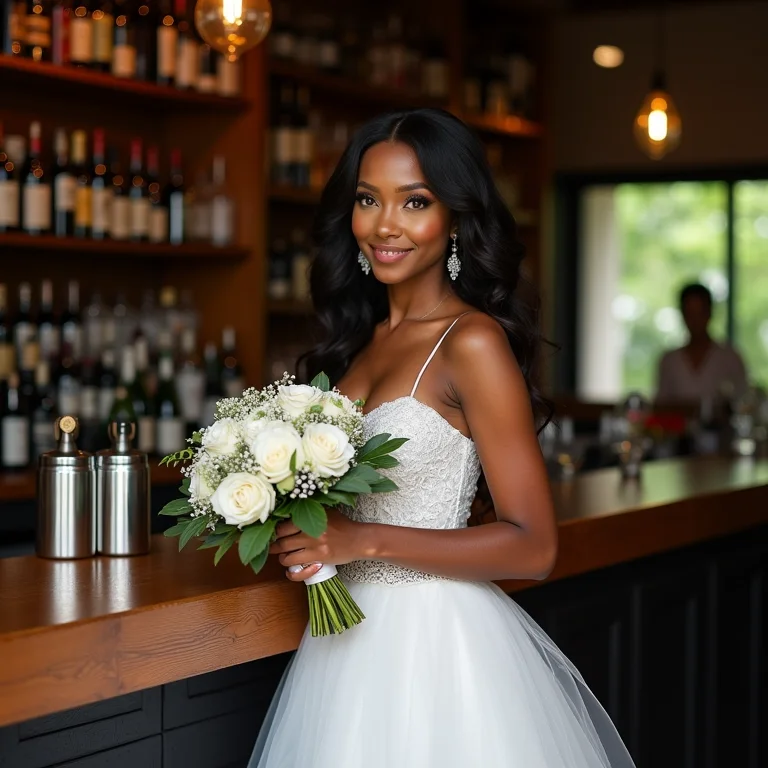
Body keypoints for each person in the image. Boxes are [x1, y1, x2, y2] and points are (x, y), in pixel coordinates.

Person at [249, 108, 635, 767]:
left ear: (456, 216)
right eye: (368, 199)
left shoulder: (472, 342)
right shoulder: (356, 345)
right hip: (341, 652)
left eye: (416, 201)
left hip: (434, 649)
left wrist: (359, 539)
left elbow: (534, 546)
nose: (385, 225)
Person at [655, 283, 748, 404]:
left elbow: (744, 402)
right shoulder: (669, 361)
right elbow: (661, 406)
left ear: (710, 313)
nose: (695, 321)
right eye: (690, 314)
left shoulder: (730, 358)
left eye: (700, 313)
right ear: (683, 315)